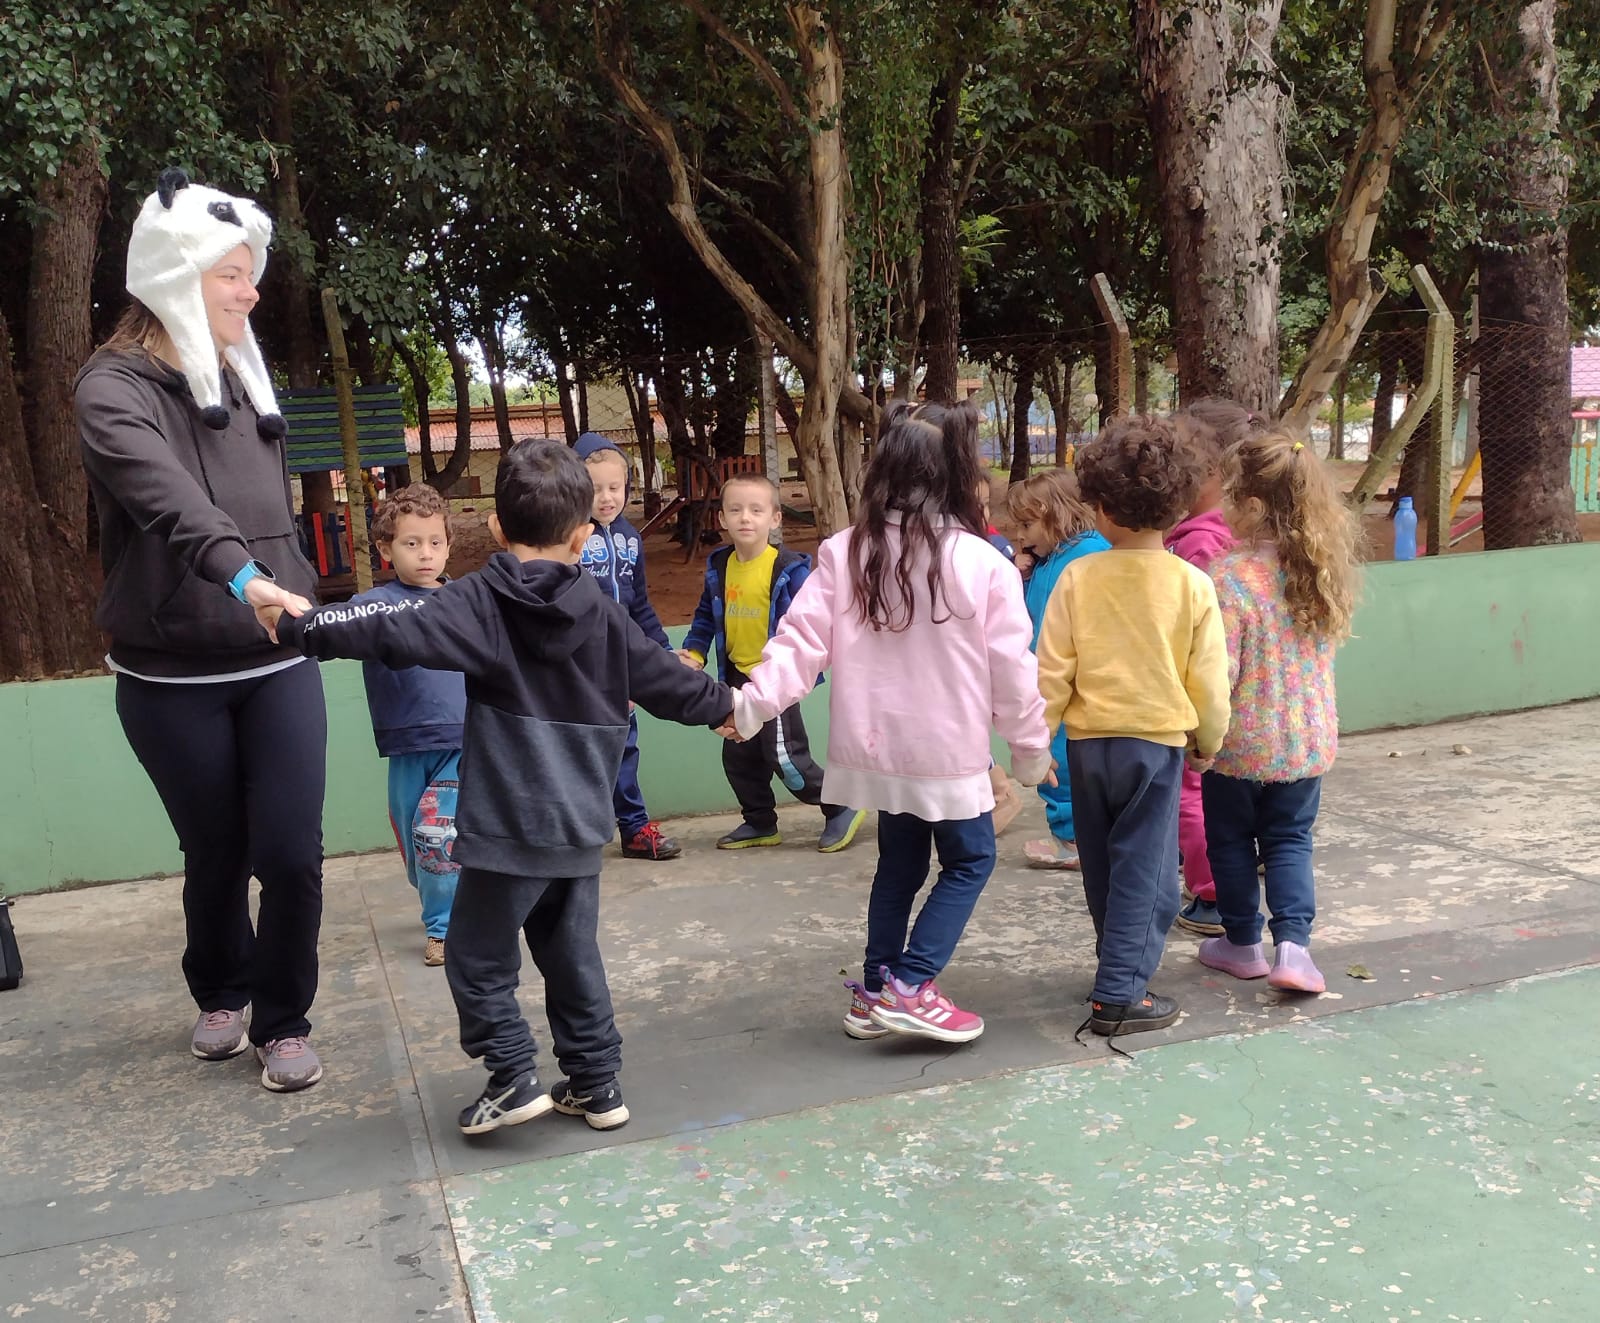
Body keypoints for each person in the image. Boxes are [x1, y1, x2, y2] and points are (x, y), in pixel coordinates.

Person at [274, 440, 736, 1135]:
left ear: (494, 527)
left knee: (476, 958)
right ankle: (597, 1084)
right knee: (572, 957)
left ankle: (514, 1075)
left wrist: (298, 624)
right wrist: (729, 708)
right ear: (582, 537)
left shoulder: (476, 602)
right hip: (579, 825)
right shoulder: (603, 613)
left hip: (506, 827)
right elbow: (668, 680)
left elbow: (384, 627)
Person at [75, 168, 326, 1093]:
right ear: (175, 278)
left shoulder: (244, 378)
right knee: (217, 853)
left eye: (251, 273)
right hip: (170, 674)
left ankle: (284, 1018)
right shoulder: (111, 390)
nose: (250, 292)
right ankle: (222, 987)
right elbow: (171, 501)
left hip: (276, 659)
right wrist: (245, 578)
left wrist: (291, 588)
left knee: (291, 852)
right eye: (231, 274)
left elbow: (272, 512)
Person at [729, 400, 1052, 1045]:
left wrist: (750, 705)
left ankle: (875, 991)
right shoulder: (983, 562)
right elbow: (1013, 670)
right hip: (945, 754)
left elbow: (799, 641)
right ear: (956, 472)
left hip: (874, 752)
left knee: (898, 864)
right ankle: (910, 985)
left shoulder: (846, 551)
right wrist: (1029, 750)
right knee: (971, 859)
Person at [1033, 417, 1230, 1041]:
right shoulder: (1191, 583)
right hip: (1154, 747)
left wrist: (1035, 746)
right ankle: (1120, 994)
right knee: (1147, 874)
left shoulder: (1077, 576)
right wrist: (1208, 743)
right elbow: (1209, 679)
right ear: (1178, 506)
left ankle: (1114, 964)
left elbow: (1051, 670)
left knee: (1103, 866)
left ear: (1099, 506)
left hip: (1087, 748)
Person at [1196, 430, 1359, 995]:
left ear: (1253, 505)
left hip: (1239, 745)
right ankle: (1294, 949)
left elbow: (1219, 671)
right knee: (1290, 841)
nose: (1221, 506)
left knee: (1231, 842)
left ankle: (1242, 944)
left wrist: (1200, 737)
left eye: (1228, 496)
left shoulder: (1229, 578)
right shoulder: (1322, 570)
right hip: (1306, 740)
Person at [678, 474, 867, 852]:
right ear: (722, 519)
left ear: (775, 518)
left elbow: (810, 623)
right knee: (739, 756)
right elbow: (705, 616)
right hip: (735, 678)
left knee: (786, 758)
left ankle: (840, 805)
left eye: (756, 510)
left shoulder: (788, 569)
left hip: (775, 679)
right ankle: (759, 822)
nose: (745, 518)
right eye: (735, 510)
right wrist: (694, 652)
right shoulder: (720, 565)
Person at [350, 483, 466, 967]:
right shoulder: (374, 606)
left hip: (461, 742)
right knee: (417, 847)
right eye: (411, 543)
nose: (425, 554)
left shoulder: (465, 600)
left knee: (436, 836)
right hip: (405, 746)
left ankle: (444, 929)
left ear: (448, 546)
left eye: (435, 542)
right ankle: (443, 897)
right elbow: (331, 630)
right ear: (385, 549)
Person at [573, 432, 682, 862]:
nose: (606, 498)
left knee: (624, 745)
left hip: (621, 664)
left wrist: (662, 651)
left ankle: (634, 828)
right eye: (595, 488)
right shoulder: (566, 538)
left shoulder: (631, 539)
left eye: (614, 487)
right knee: (579, 749)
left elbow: (640, 605)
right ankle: (575, 832)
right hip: (578, 667)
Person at [1005, 470, 1111, 871]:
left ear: (1055, 514)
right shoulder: (1052, 558)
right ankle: (1076, 834)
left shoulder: (1088, 554)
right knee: (1056, 759)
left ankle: (1072, 838)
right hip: (1052, 678)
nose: (1020, 536)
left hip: (1075, 682)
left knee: (1061, 763)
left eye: (1027, 525)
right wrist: (1023, 576)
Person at [1165, 409, 1242, 935]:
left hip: (1198, 688)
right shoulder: (1211, 532)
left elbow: (1196, 626)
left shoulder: (1199, 543)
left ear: (1213, 471)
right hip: (1211, 684)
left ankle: (1213, 895)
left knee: (1190, 794)